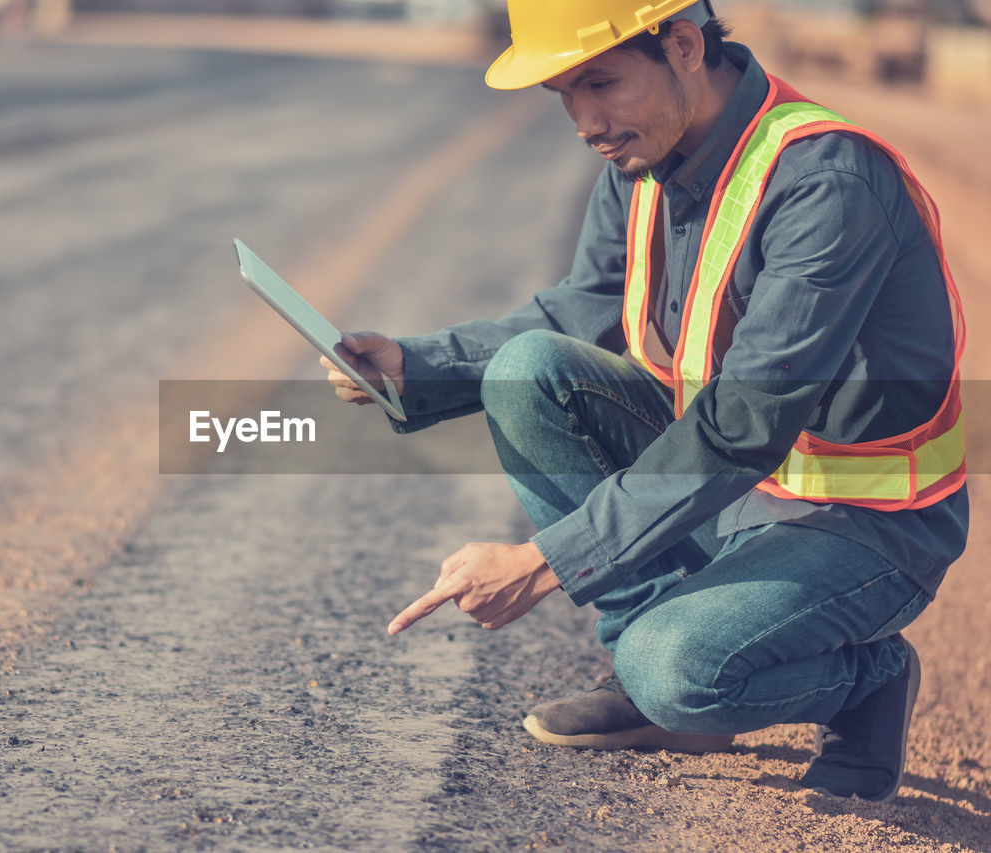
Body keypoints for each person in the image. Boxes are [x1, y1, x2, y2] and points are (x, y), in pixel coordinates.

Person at [321, 0, 967, 802]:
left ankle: (864, 678)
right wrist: (413, 366)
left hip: (865, 524)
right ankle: (646, 670)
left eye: (601, 82)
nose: (584, 120)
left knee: (678, 670)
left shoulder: (827, 185)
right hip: (742, 498)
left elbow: (743, 425)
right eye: (564, 92)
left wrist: (543, 562)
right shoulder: (643, 160)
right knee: (528, 369)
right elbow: (575, 313)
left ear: (686, 46)